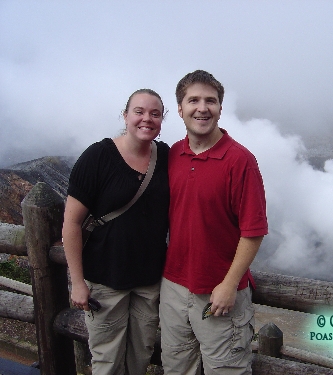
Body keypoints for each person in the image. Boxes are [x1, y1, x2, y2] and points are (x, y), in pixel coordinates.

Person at [160, 70, 268, 375]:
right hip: (174, 287)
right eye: (193, 100)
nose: (202, 108)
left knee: (226, 370)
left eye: (211, 100)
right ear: (180, 109)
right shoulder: (173, 155)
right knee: (176, 368)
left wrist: (229, 284)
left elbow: (254, 230)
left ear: (221, 108)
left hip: (220, 291)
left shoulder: (239, 160)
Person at [62, 89, 170, 375]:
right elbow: (71, 224)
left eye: (155, 113)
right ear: (125, 116)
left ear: (162, 119)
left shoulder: (166, 158)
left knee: (140, 355)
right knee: (107, 360)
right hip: (104, 280)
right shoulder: (98, 157)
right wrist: (78, 282)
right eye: (139, 111)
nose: (146, 119)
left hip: (148, 281)